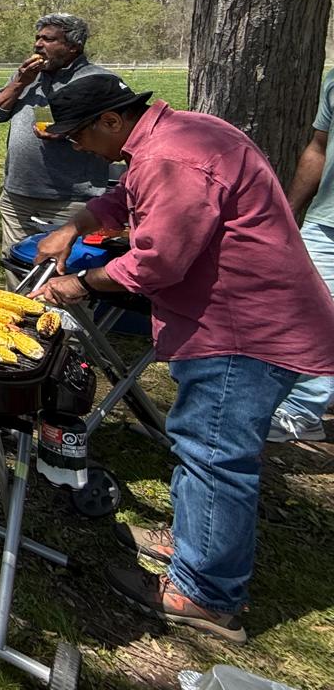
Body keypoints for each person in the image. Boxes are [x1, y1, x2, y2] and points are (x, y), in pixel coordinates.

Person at [31, 73, 334, 643]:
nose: (75, 147)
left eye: (77, 136)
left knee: (214, 454)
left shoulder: (172, 158)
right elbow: (129, 197)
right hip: (236, 317)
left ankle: (205, 594)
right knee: (200, 441)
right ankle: (198, 541)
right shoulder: (182, 134)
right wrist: (77, 224)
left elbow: (158, 263)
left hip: (244, 326)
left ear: (111, 121)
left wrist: (86, 283)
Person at [0, 14, 114, 288]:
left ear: (73, 47)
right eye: (37, 38)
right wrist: (19, 81)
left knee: (62, 279)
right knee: (17, 272)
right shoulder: (28, 76)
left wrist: (68, 132)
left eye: (48, 39)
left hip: (71, 202)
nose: (38, 45)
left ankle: (64, 332)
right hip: (17, 197)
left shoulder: (98, 81)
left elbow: (114, 134)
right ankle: (18, 329)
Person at [271, 67, 334, 441]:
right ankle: (302, 408)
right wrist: (290, 210)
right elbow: (318, 147)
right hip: (325, 222)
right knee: (306, 311)